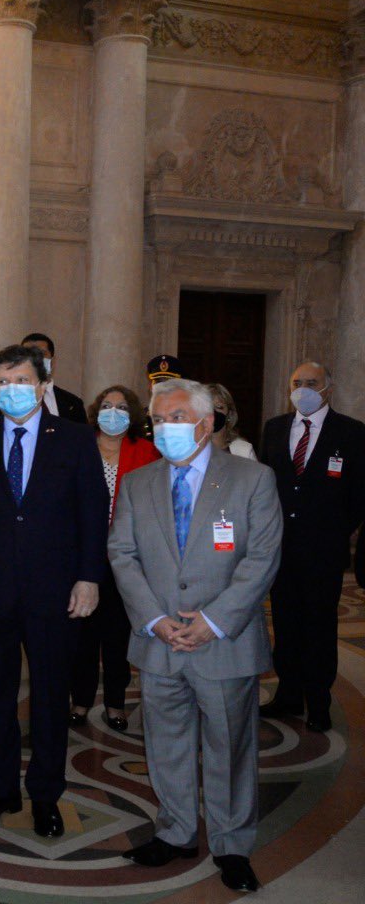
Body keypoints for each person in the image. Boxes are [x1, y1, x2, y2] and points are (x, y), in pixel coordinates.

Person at [110, 378, 281, 893]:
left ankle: (232, 844)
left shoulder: (253, 479)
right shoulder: (139, 482)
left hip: (224, 641)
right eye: (158, 420)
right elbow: (122, 553)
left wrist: (211, 622)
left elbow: (262, 559)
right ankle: (177, 831)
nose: (165, 428)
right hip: (159, 638)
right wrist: (155, 619)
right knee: (165, 742)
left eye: (177, 417)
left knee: (230, 746)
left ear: (206, 425)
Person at [0, 344, 108, 838]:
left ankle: (45, 794)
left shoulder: (77, 440)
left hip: (56, 591)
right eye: (1, 382)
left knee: (50, 695)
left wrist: (89, 577)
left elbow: (93, 514)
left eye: (20, 381)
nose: (11, 390)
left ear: (42, 385)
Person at [258, 362, 365, 733]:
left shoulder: (351, 433)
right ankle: (288, 694)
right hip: (281, 549)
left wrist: (335, 531)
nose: (302, 388)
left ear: (327, 389)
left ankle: (318, 699)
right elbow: (264, 485)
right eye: (297, 383)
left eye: (311, 383)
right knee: (285, 623)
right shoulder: (274, 429)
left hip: (324, 551)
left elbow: (359, 494)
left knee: (318, 625)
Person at [69, 385, 158, 732]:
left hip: (127, 558)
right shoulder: (79, 446)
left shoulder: (148, 451)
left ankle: (116, 702)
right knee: (82, 634)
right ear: (95, 410)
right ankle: (80, 698)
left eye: (121, 407)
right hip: (82, 555)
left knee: (118, 634)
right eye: (107, 405)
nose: (114, 412)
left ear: (133, 413)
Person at [0, 333, 86, 426]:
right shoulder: (2, 395)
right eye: (29, 353)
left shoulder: (73, 402)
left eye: (42, 353)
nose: (36, 358)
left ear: (52, 361)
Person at [206, 383, 257, 460]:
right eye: (208, 407)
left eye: (219, 407)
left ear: (229, 414)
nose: (213, 412)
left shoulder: (244, 450)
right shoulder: (188, 449)